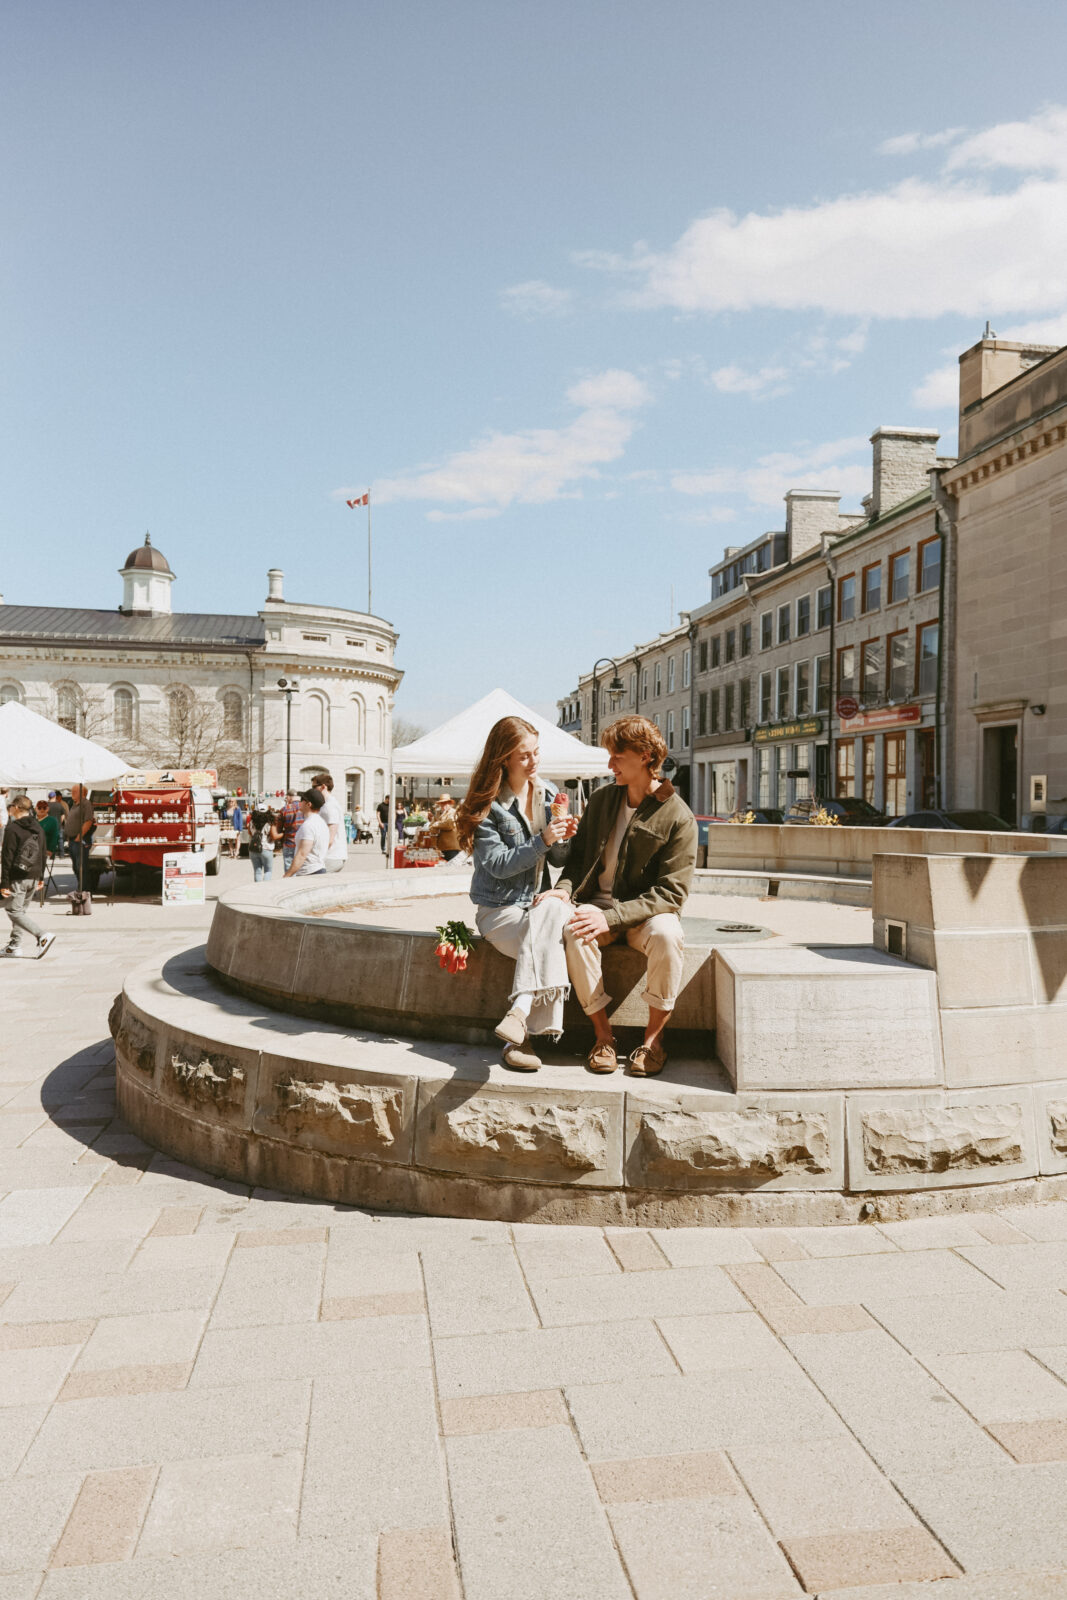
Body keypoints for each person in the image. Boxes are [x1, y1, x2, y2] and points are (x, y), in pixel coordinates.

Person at [544, 715, 697, 1078]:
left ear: (645, 756)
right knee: (573, 931)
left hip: (645, 914)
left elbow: (672, 893)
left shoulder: (678, 816)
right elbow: (578, 862)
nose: (609, 764)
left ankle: (653, 1041)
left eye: (617, 756)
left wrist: (611, 917)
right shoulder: (602, 800)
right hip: (597, 904)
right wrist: (562, 892)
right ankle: (603, 1038)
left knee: (668, 935)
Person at [456, 717, 577, 1072]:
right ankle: (521, 1035)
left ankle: (518, 1018)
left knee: (554, 910)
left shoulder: (549, 794)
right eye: (524, 756)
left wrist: (564, 836)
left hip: (537, 904)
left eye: (536, 752)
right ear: (504, 759)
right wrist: (544, 839)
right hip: (500, 909)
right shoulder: (488, 806)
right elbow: (497, 865)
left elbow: (560, 859)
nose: (534, 762)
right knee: (550, 937)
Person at [1, 794, 54, 957]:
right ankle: (14, 945)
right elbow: (43, 854)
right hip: (33, 875)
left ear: (16, 807)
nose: (9, 809)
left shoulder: (12, 828)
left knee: (13, 911)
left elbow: (7, 857)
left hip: (18, 876)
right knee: (20, 912)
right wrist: (40, 878)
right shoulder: (38, 826)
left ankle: (41, 935)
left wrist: (4, 883)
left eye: (10, 806)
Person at [283, 788, 330, 877]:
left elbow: (302, 854)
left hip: (309, 872)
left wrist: (287, 875)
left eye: (302, 800)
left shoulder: (308, 825)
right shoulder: (321, 823)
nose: (300, 802)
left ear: (308, 804)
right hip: (318, 868)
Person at [312, 772, 347, 874]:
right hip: (332, 855)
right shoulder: (327, 804)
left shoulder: (329, 806)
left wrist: (315, 855)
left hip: (331, 856)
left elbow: (330, 837)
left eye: (314, 787)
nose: (312, 790)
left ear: (323, 787)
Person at [63, 784, 95, 889]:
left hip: (80, 840)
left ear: (83, 793)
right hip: (73, 840)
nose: (72, 793)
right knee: (76, 867)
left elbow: (89, 821)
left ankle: (85, 890)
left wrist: (79, 837)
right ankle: (81, 888)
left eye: (75, 791)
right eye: (72, 791)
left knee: (81, 867)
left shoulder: (86, 803)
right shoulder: (75, 804)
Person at [247, 800, 275, 882]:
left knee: (257, 872)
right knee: (268, 871)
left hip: (254, 849)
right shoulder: (269, 823)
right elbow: (273, 835)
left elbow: (250, 833)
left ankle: (258, 889)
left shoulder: (251, 822)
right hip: (266, 848)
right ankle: (265, 890)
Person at [276, 790, 301, 871]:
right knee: (302, 869)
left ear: (289, 797)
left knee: (289, 869)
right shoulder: (306, 808)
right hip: (303, 843)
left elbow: (278, 829)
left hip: (289, 842)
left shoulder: (284, 809)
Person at [433, 793, 462, 861]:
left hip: (451, 847)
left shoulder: (453, 812)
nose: (443, 805)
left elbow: (449, 825)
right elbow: (431, 827)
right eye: (442, 803)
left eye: (445, 803)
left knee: (452, 868)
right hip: (440, 846)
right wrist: (435, 826)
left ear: (450, 803)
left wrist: (436, 825)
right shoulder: (438, 813)